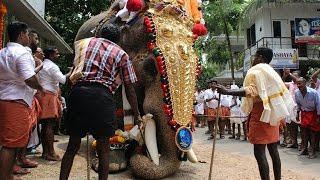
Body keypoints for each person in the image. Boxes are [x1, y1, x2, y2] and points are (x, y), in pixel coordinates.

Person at [59, 24, 142, 180]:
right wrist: (136, 114)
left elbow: (76, 70)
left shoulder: (84, 44)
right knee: (104, 149)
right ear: (118, 39)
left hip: (79, 93)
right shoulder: (121, 54)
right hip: (102, 97)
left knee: (72, 146)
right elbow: (129, 89)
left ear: (100, 34)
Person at [216, 47, 295, 180]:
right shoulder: (272, 72)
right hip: (274, 113)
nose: (253, 59)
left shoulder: (256, 71)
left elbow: (252, 91)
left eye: (255, 56)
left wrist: (228, 92)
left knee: (259, 153)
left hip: (261, 113)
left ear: (261, 58)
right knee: (274, 151)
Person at [0, 21, 45, 180]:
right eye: (27, 34)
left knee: (8, 143)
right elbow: (29, 78)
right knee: (11, 145)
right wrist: (41, 88)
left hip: (5, 99)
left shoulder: (3, 52)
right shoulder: (22, 52)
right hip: (16, 102)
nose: (29, 38)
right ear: (21, 35)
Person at [36, 47, 72, 161]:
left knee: (45, 125)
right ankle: (50, 152)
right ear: (51, 55)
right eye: (57, 54)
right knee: (49, 124)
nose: (58, 55)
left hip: (43, 95)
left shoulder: (43, 64)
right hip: (48, 96)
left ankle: (46, 152)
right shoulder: (52, 66)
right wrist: (72, 72)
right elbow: (62, 80)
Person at [295, 77, 320, 159]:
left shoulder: (313, 92)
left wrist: (318, 116)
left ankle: (312, 150)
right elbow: (298, 104)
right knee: (304, 132)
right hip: (304, 113)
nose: (298, 85)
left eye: (300, 83)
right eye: (297, 83)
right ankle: (304, 148)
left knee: (313, 132)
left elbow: (318, 104)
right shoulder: (297, 93)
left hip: (313, 113)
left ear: (305, 83)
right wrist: (297, 113)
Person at [282, 69, 300, 149]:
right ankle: (293, 141)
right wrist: (285, 76)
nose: (293, 77)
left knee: (296, 125)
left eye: (295, 75)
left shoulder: (299, 82)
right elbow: (281, 84)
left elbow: (297, 80)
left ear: (299, 77)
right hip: (290, 107)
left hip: (298, 107)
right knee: (290, 125)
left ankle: (296, 142)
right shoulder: (290, 84)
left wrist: (289, 73)